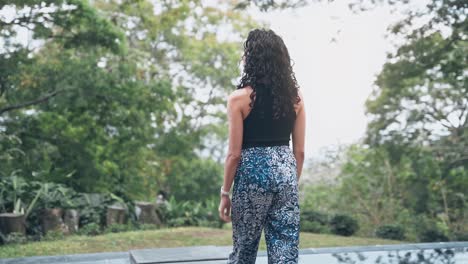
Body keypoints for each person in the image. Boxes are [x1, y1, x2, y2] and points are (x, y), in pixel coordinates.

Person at [218, 28, 306, 264]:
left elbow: (234, 155)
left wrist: (225, 193)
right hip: (286, 174)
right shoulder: (295, 99)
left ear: (253, 59)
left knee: (244, 250)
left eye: (246, 53)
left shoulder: (239, 99)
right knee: (285, 252)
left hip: (252, 177)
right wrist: (289, 183)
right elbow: (300, 152)